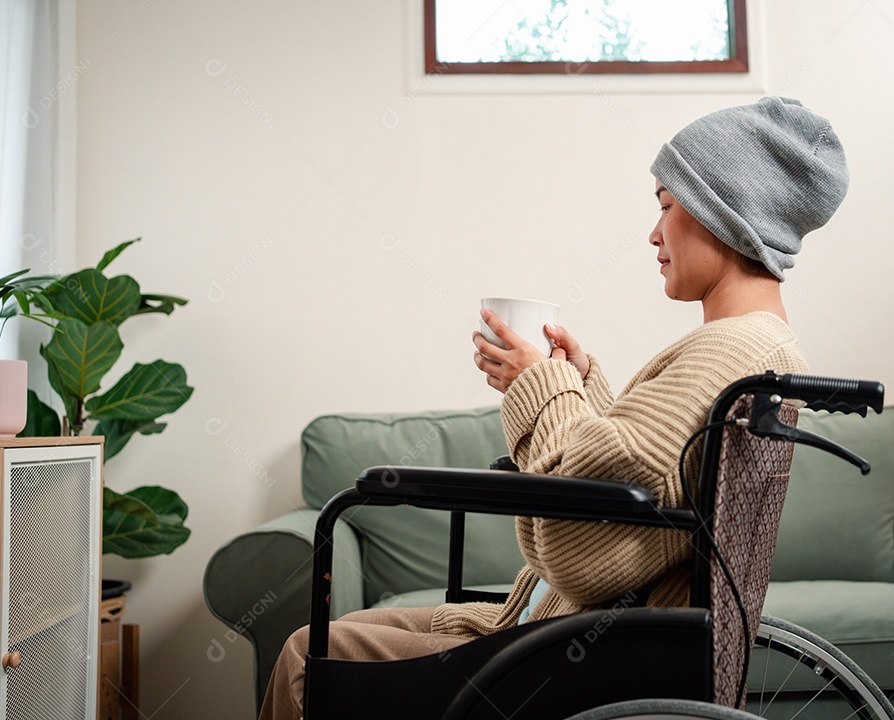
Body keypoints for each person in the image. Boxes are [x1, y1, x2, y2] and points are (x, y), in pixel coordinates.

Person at [258, 96, 848, 720]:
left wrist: (541, 387)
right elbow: (654, 479)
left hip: (571, 657)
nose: (653, 233)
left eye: (666, 206)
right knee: (346, 634)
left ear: (721, 215)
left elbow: (582, 551)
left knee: (307, 654)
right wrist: (578, 383)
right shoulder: (760, 346)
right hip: (563, 633)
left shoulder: (728, 350)